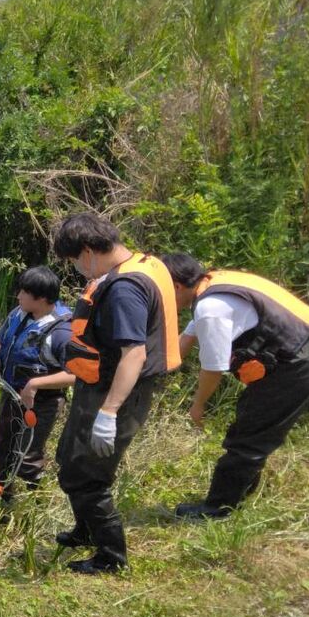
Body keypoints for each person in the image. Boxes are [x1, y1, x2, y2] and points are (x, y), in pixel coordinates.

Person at [50, 213, 180, 574]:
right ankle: (86, 530)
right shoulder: (141, 263)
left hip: (116, 394)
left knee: (89, 475)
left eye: (75, 260)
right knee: (69, 458)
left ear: (88, 251)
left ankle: (110, 557)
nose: (76, 268)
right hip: (97, 385)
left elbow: (134, 354)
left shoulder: (124, 289)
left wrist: (109, 412)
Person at [161, 253, 309, 519]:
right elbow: (187, 338)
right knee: (250, 426)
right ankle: (239, 496)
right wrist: (153, 371)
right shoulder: (213, 284)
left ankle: (217, 509)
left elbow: (213, 368)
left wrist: (197, 406)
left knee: (247, 438)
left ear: (176, 287)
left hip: (293, 367)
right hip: (299, 354)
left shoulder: (210, 308)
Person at [0, 266, 74, 499]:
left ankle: (33, 501)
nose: (18, 296)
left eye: (24, 293)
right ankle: (3, 493)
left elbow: (76, 374)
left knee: (28, 455)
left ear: (42, 299)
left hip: (41, 403)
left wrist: (35, 384)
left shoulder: (62, 333)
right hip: (11, 394)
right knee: (3, 444)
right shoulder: (19, 313)